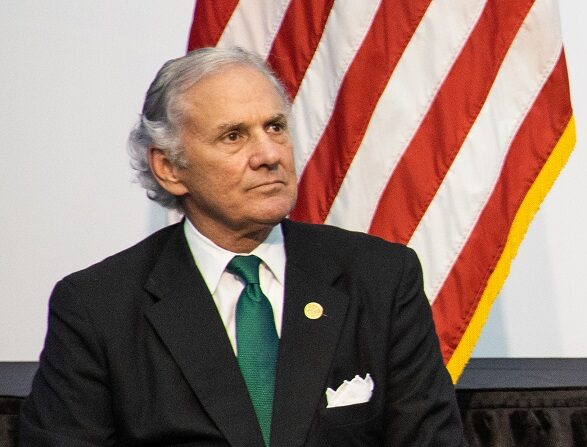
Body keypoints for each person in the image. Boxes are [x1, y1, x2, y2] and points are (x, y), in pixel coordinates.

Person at [20, 47, 465, 447]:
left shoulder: (381, 277)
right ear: (170, 167)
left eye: (275, 127)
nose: (269, 154)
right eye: (233, 136)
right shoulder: (99, 306)